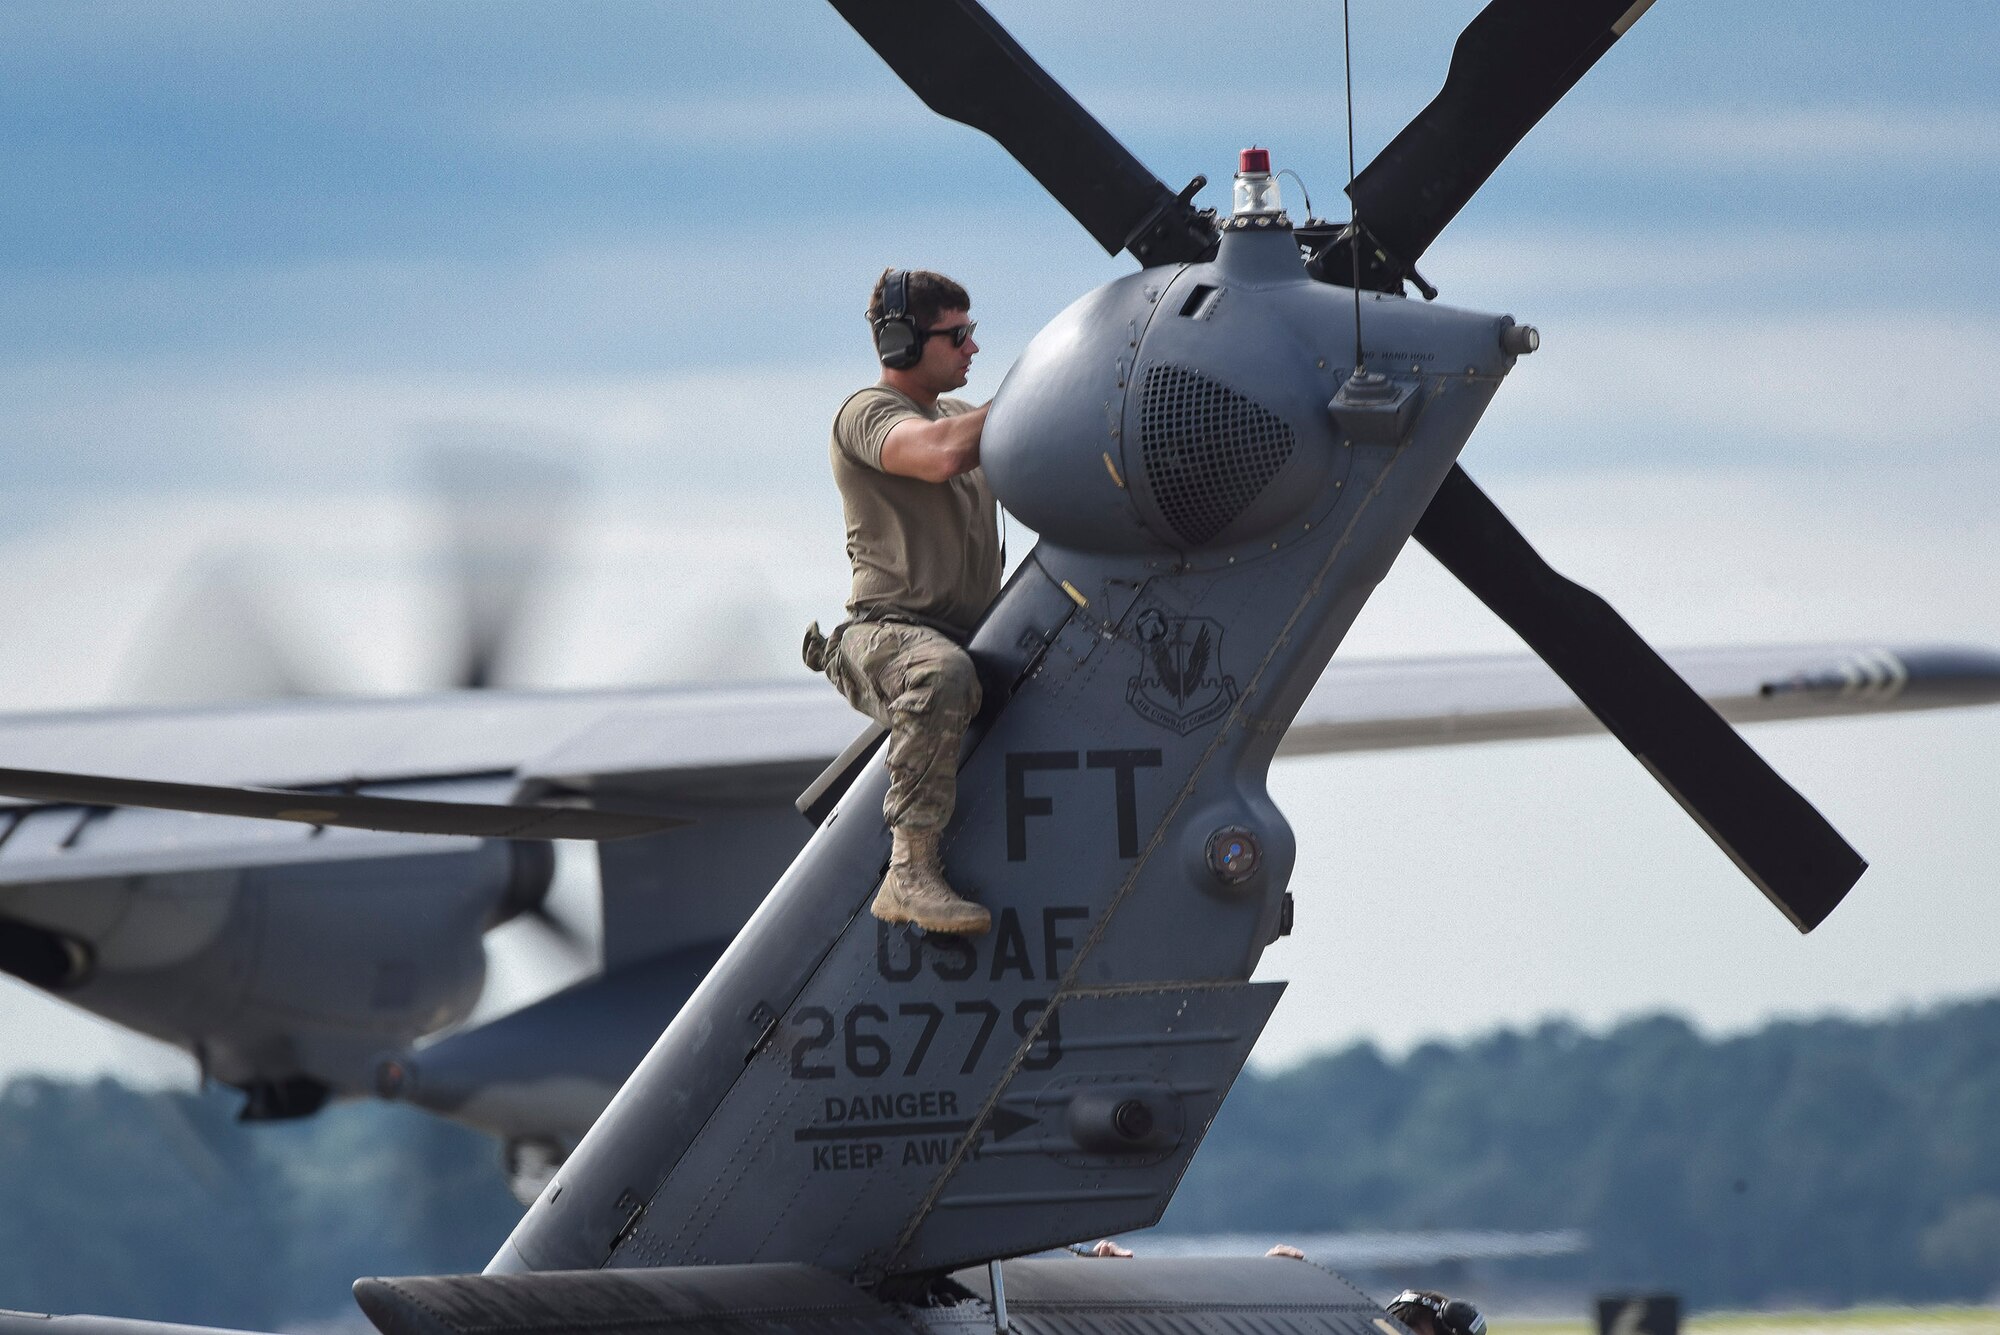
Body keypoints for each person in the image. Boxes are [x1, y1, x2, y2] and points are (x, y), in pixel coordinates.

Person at [804, 267, 1000, 936]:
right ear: (901, 343)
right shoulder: (867, 415)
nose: (973, 347)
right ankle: (908, 872)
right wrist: (1036, 400)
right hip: (890, 635)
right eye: (958, 334)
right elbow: (942, 455)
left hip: (972, 636)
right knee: (938, 674)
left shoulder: (960, 418)